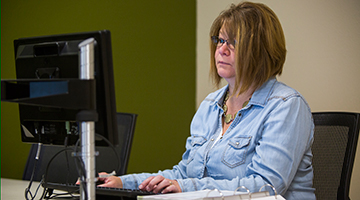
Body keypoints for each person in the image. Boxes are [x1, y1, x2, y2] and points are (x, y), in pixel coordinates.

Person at [97, 2, 316, 199]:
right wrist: (123, 182)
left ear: (261, 49)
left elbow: (266, 186)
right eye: (220, 40)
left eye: (233, 42)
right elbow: (183, 173)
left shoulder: (286, 106)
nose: (221, 49)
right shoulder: (210, 105)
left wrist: (185, 187)